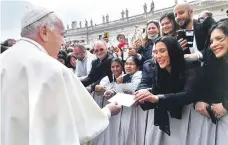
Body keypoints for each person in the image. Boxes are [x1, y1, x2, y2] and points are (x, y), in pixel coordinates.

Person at [0, 6, 121, 145]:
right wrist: (108, 111)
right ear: (44, 31)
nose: (63, 42)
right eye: (61, 34)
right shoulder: (52, 68)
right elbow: (81, 125)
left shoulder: (2, 60)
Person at [134, 36, 200, 145]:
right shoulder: (158, 70)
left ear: (173, 51)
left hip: (193, 119)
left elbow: (188, 94)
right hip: (173, 120)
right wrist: (141, 97)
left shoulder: (191, 65)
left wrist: (157, 98)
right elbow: (156, 93)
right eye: (155, 52)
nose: (158, 56)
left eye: (162, 51)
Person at [191, 22, 228, 145]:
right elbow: (202, 82)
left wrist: (225, 106)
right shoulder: (215, 60)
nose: (214, 45)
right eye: (212, 41)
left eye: (219, 39)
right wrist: (199, 99)